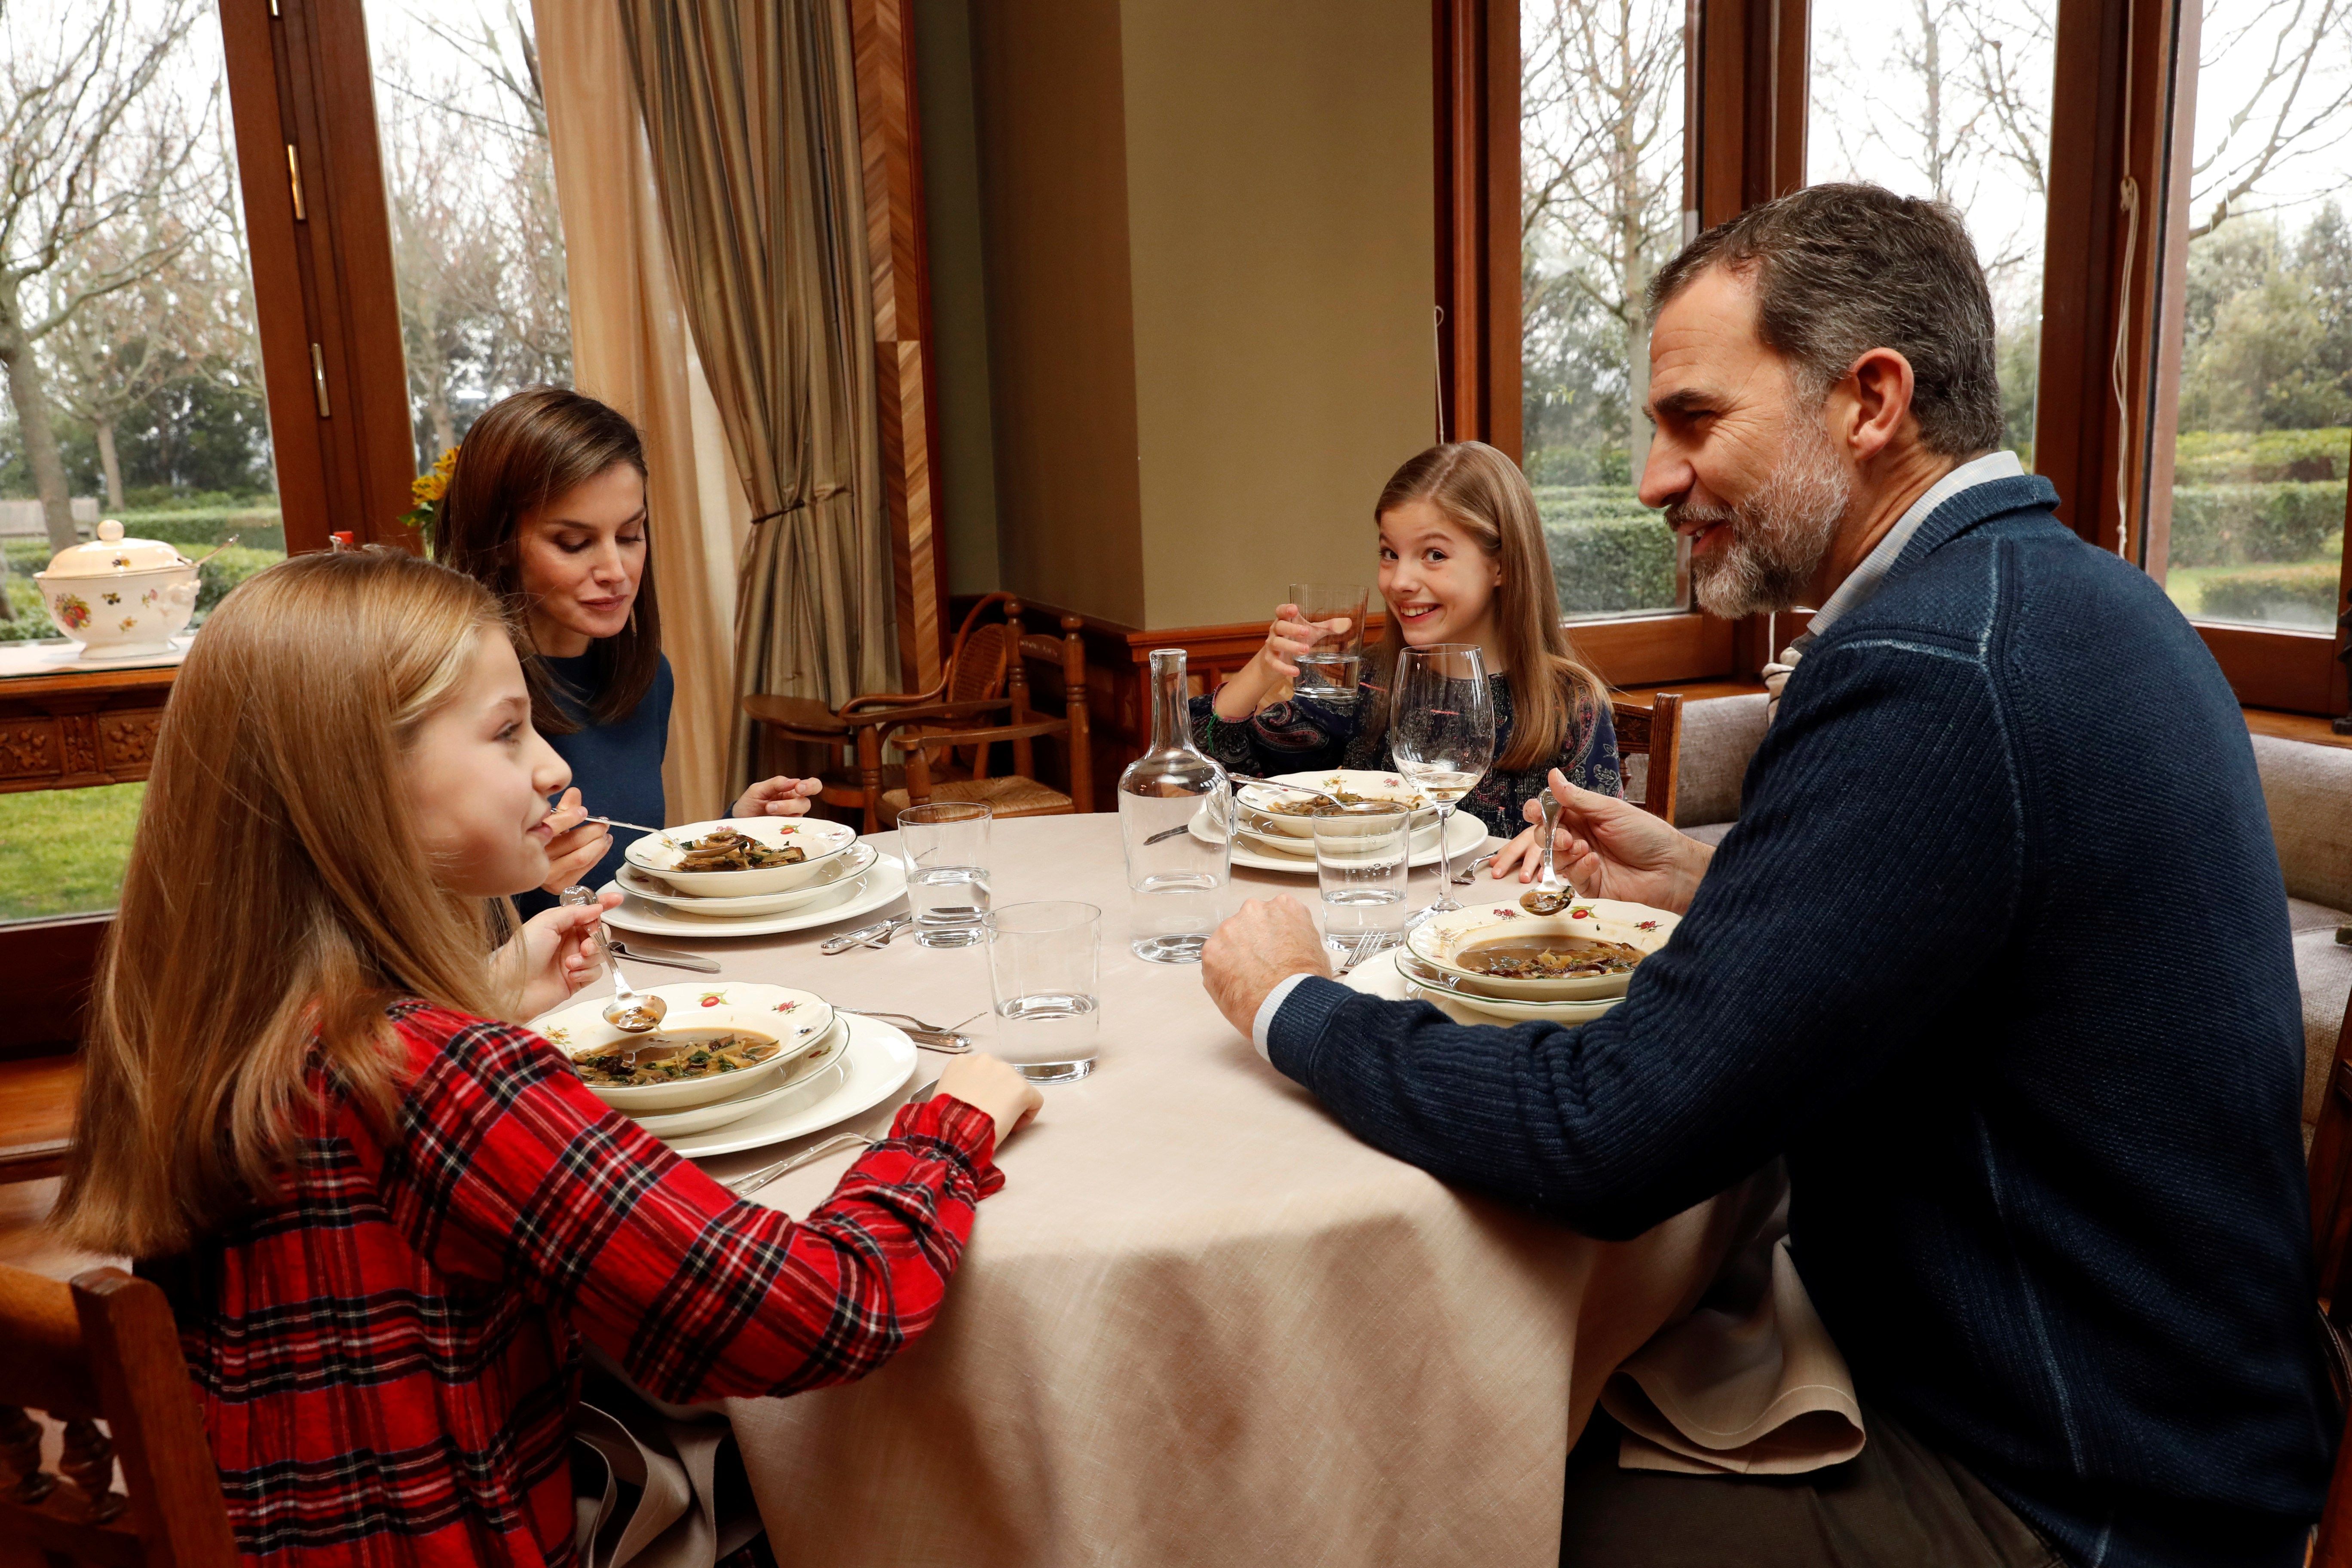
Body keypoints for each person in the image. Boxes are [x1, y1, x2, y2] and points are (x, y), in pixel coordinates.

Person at [1197, 184, 2333, 1567]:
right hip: (2179, 1410)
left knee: (1456, 1496)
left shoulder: (1928, 665)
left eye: (1693, 419)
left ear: (1870, 402)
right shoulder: (2074, 595)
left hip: (2085, 1488)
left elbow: (1607, 1137)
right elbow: (1977, 931)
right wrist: (1721, 888)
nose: (1653, 479)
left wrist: (1293, 1004)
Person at [51, 548, 1043, 1566]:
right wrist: (948, 1127)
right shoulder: (436, 1078)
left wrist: (480, 997)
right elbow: (818, 1313)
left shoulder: (211, 1017)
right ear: (354, 779)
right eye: (506, 731)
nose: (555, 767)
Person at [434, 386, 823, 918]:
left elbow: (622, 874)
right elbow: (420, 939)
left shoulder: (646, 680)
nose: (616, 572)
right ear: (497, 544)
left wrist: (734, 830)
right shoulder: (447, 697)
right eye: (574, 543)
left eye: (631, 535)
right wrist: (524, 884)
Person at [1191, 442, 1623, 837]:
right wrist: (1264, 667)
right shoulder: (1368, 682)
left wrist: (1558, 845)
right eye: (1389, 553)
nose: (1399, 581)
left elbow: (1600, 854)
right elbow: (1225, 780)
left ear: (1502, 565)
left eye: (1434, 555)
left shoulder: (1571, 704)